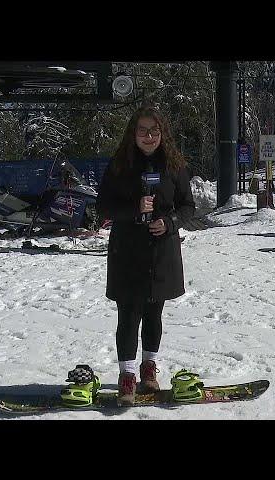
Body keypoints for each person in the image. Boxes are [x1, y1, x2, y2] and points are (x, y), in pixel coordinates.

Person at [96, 105, 196, 404]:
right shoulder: (120, 164)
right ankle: (127, 377)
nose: (149, 136)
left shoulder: (174, 165)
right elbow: (103, 207)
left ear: (162, 133)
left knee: (154, 312)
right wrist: (133, 210)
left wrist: (169, 223)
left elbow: (188, 206)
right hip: (127, 250)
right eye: (143, 131)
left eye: (154, 131)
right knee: (129, 314)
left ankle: (148, 370)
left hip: (161, 251)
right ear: (133, 133)